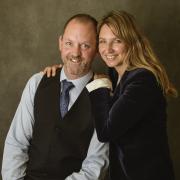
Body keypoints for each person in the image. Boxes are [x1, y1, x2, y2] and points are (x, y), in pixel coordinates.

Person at [43, 11, 178, 180]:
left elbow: (106, 131)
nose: (108, 49)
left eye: (117, 41)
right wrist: (62, 71)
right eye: (102, 41)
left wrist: (100, 86)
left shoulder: (143, 80)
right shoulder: (116, 74)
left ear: (131, 42)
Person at [1, 14, 109, 180]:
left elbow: (95, 166)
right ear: (60, 43)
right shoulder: (37, 83)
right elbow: (16, 144)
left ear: (97, 50)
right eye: (69, 43)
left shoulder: (104, 97)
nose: (75, 53)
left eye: (85, 46)